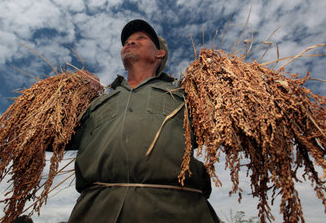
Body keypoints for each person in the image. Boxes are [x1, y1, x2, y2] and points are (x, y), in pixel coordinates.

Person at [64, 19, 220, 222]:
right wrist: (74, 93)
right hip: (95, 212)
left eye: (141, 38)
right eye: (127, 41)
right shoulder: (97, 102)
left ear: (159, 53)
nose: (130, 42)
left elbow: (235, 130)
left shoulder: (185, 95)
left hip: (177, 210)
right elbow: (51, 139)